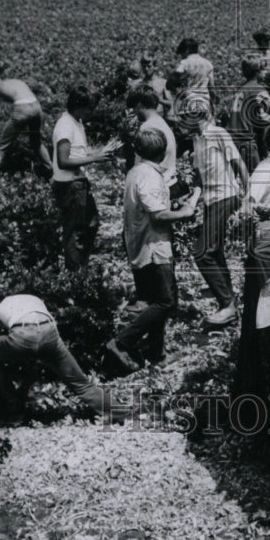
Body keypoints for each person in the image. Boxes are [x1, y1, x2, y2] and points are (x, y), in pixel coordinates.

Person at [106, 129, 200, 371]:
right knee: (166, 302)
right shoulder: (148, 176)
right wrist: (184, 212)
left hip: (139, 244)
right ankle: (122, 342)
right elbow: (158, 215)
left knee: (153, 301)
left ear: (138, 151)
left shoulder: (136, 172)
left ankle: (157, 354)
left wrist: (173, 203)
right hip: (153, 246)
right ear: (164, 152)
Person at [0, 293, 110, 422]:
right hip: (49, 332)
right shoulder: (36, 300)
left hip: (23, 334)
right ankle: (125, 415)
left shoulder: (3, 305)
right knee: (82, 384)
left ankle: (13, 406)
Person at [175, 97, 249, 326]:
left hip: (225, 197)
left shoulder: (218, 133)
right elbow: (200, 177)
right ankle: (229, 300)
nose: (183, 122)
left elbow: (240, 165)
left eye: (186, 117)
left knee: (202, 252)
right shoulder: (197, 139)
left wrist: (248, 197)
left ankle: (227, 305)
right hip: (210, 200)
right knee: (214, 252)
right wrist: (192, 199)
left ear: (198, 117)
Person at [51, 86, 121, 271]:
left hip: (78, 183)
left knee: (91, 224)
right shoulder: (65, 126)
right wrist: (95, 158)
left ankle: (80, 267)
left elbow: (78, 152)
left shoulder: (77, 122)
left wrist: (101, 152)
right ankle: (75, 275)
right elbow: (63, 160)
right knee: (76, 233)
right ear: (78, 106)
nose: (92, 112)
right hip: (70, 185)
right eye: (89, 108)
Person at [0, 78, 53, 174]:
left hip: (23, 109)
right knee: (36, 143)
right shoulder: (12, 81)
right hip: (37, 107)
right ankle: (54, 172)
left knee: (0, 149)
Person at [227, 55, 270, 172]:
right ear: (258, 72)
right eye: (263, 68)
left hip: (231, 138)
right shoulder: (257, 89)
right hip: (245, 140)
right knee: (256, 177)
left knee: (235, 178)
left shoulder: (242, 88)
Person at [125, 87, 177, 185]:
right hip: (167, 180)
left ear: (139, 105)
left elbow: (141, 163)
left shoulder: (147, 127)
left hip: (156, 184)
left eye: (134, 108)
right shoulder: (160, 122)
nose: (135, 112)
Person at [175, 38, 217, 109]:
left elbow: (174, 80)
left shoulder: (185, 63)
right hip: (204, 101)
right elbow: (212, 87)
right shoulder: (208, 63)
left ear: (186, 51)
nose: (182, 56)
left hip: (189, 101)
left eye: (182, 53)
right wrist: (213, 101)